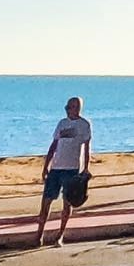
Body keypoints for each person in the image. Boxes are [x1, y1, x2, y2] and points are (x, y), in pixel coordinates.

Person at [36, 96, 91, 247]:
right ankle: (39, 234)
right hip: (56, 168)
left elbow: (86, 148)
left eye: (72, 107)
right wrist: (46, 165)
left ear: (78, 108)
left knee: (67, 203)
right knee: (46, 201)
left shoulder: (84, 125)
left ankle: (60, 235)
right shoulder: (62, 123)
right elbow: (54, 144)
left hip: (71, 169)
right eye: (67, 107)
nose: (69, 110)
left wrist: (86, 167)